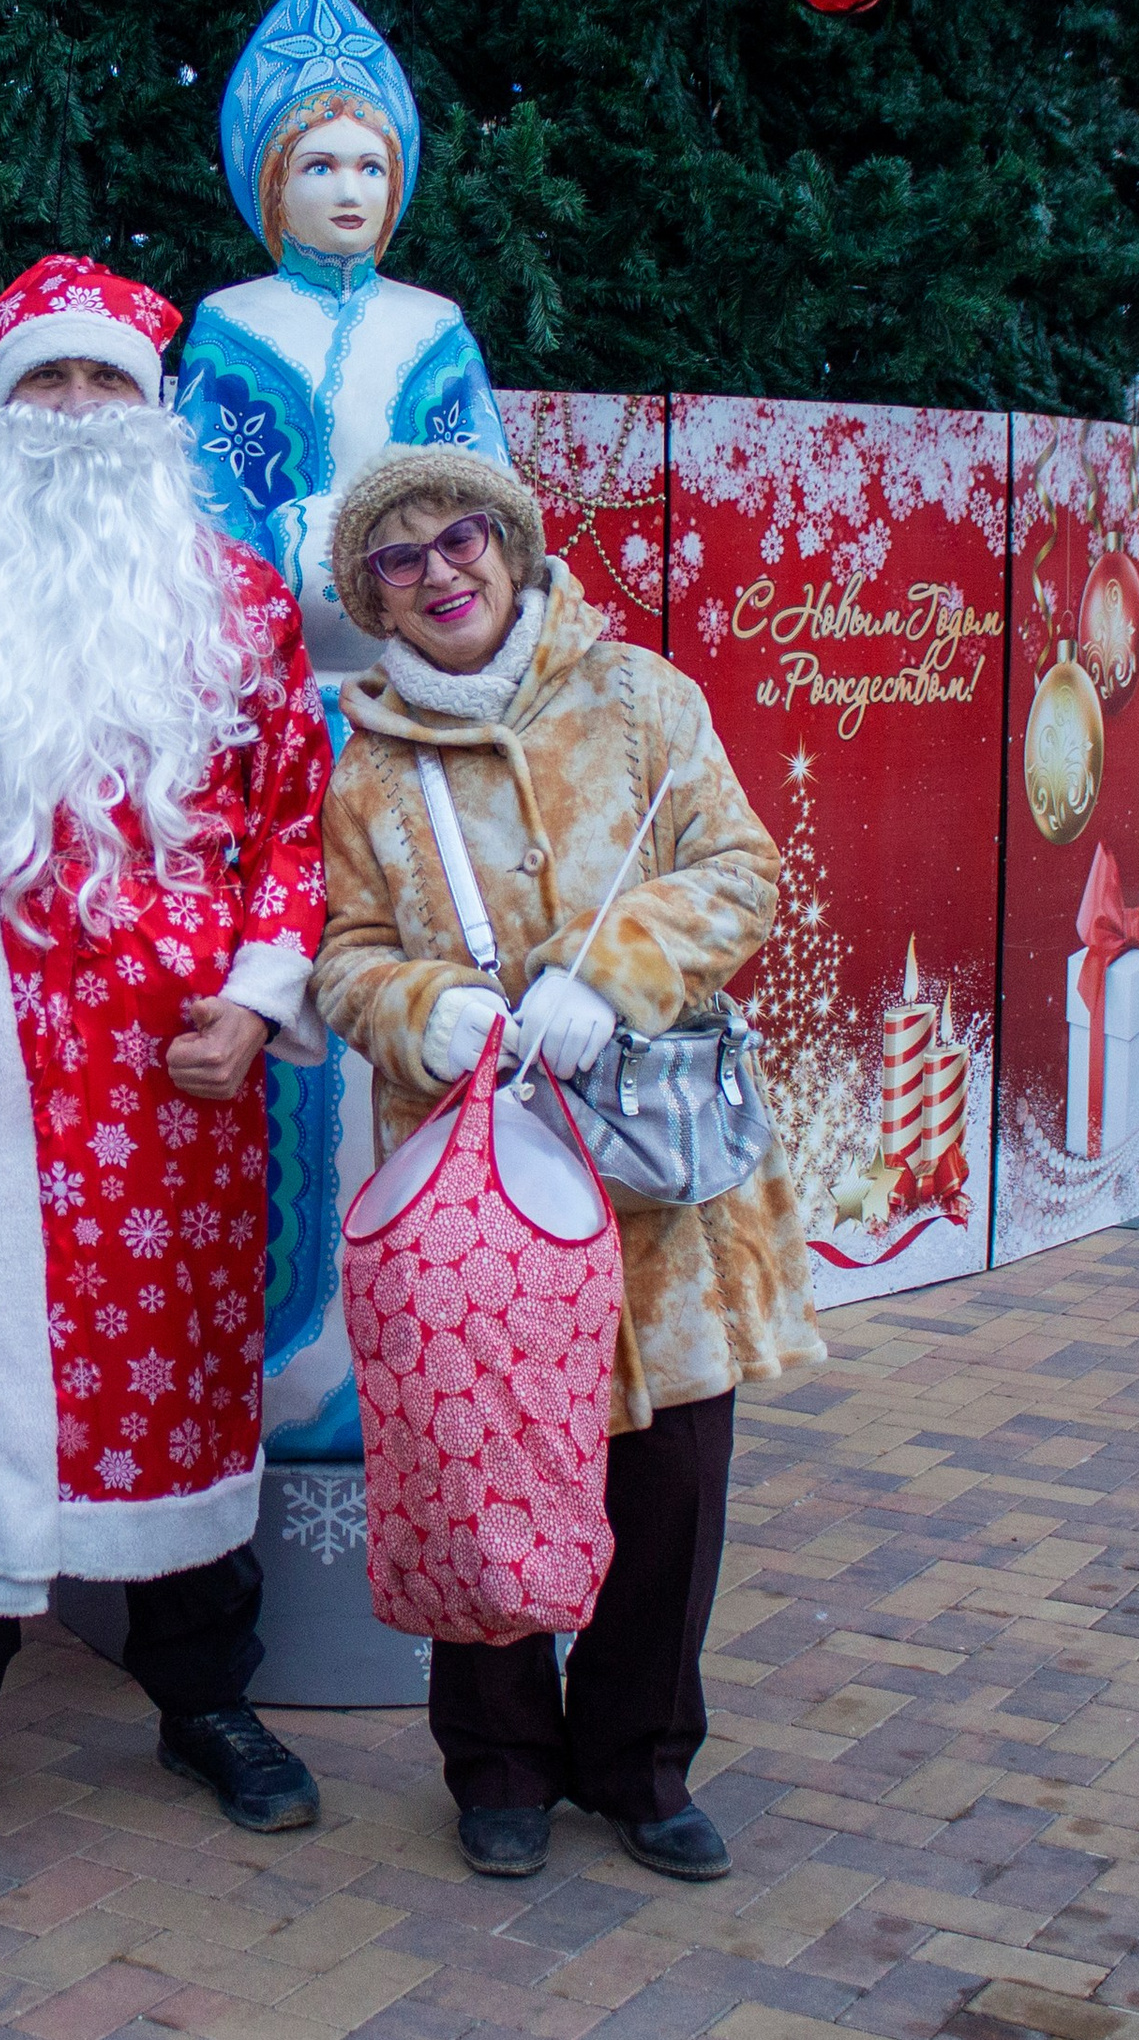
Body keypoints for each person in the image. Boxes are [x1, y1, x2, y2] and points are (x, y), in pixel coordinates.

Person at [0, 255, 335, 1858]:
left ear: (155, 416)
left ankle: (202, 1698)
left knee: (172, 1369)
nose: (81, 413)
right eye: (51, 383)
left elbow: (295, 820)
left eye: (109, 384)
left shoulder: (237, 607)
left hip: (177, 1083)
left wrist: (255, 999)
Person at [312, 441, 824, 1885]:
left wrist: (619, 971)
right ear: (375, 598)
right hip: (479, 1189)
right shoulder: (370, 770)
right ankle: (500, 1765)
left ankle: (641, 1763)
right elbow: (346, 960)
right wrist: (427, 1009)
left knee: (671, 1486)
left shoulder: (645, 700)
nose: (438, 573)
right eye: (397, 560)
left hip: (654, 1190)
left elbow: (742, 868)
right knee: (484, 1476)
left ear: (514, 544)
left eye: (458, 536)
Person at [172, 0, 513, 1463]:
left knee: (419, 1003)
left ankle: (415, 1310)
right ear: (268, 183)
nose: (349, 188)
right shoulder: (229, 329)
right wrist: (312, 554)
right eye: (319, 162)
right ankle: (288, 1333)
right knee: (296, 1014)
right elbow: (200, 521)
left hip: (418, 723)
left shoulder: (436, 331)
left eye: (372, 162)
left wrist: (415, 572)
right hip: (280, 725)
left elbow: (492, 514)